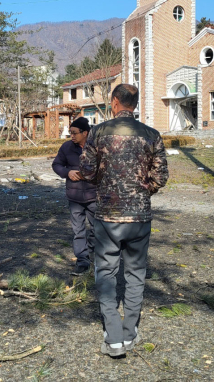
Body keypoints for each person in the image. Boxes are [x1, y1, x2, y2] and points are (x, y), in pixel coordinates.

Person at [79, 84, 168, 357]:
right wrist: (143, 192)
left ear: (115, 101)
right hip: (140, 217)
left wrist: (104, 185)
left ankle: (114, 338)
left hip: (107, 216)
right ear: (135, 103)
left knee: (105, 272)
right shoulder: (152, 135)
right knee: (135, 273)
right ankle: (130, 334)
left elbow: (86, 169)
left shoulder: (98, 132)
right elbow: (161, 176)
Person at [51, 117, 97, 276]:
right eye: (70, 132)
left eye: (74, 133)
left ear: (85, 132)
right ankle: (82, 260)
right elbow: (56, 165)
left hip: (94, 196)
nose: (71, 135)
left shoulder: (97, 147)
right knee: (78, 231)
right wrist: (67, 172)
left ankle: (94, 255)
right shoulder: (66, 147)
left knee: (97, 230)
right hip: (74, 196)